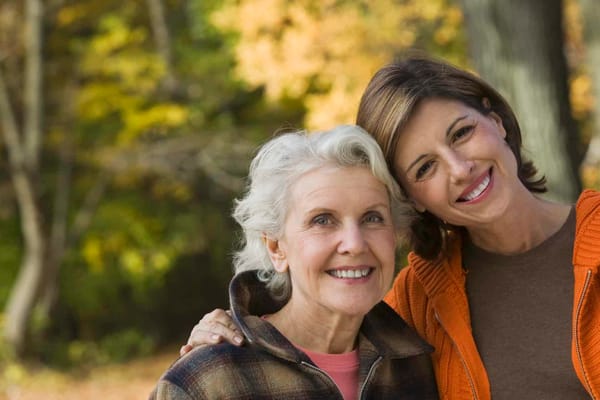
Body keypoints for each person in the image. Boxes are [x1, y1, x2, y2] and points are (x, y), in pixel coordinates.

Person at [180, 55, 600, 400]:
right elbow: (321, 310)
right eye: (425, 167)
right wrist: (231, 326)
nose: (459, 169)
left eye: (462, 133)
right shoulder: (420, 300)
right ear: (412, 198)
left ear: (497, 122)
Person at [149, 125, 439, 399]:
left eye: (373, 218)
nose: (354, 243)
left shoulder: (416, 365)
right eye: (322, 220)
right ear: (276, 248)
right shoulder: (208, 382)